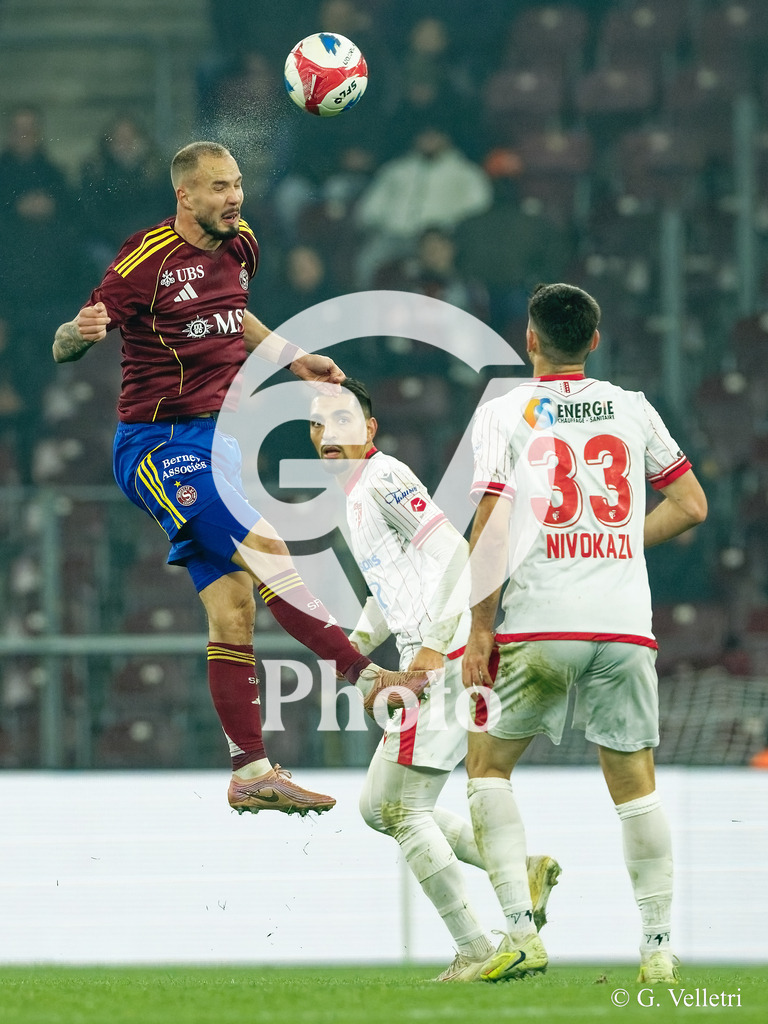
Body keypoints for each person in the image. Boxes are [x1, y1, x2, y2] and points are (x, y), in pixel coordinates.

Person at [52, 141, 431, 816]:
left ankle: (250, 771)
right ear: (186, 196)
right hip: (158, 444)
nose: (235, 198)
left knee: (233, 609)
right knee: (267, 552)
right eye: (220, 188)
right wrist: (77, 335)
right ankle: (368, 677)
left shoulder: (242, 244)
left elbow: (236, 315)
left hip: (217, 445)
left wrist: (293, 358)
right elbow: (70, 338)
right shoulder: (145, 261)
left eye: (238, 186)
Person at [461, 283, 708, 983]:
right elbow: (690, 504)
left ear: (530, 340)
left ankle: (519, 934)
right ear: (595, 341)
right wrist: (621, 541)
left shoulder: (508, 412)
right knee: (636, 786)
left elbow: (493, 526)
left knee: (487, 769)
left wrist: (481, 628)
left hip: (544, 622)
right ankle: (659, 947)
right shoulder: (632, 409)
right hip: (625, 629)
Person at [308, 378, 561, 981]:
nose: (327, 434)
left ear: (369, 430)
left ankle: (479, 947)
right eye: (317, 425)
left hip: (442, 656)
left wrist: (427, 649)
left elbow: (453, 555)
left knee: (397, 807)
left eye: (342, 420)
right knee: (380, 807)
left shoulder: (384, 476)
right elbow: (390, 585)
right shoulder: (354, 496)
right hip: (433, 653)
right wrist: (357, 647)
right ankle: (519, 875)